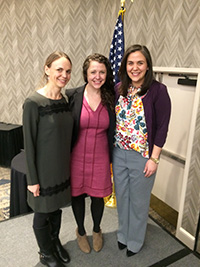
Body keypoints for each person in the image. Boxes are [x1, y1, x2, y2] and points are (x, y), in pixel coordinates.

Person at [112, 44, 171, 257]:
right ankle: (123, 234)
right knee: (123, 197)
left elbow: (162, 127)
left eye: (140, 63)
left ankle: (135, 241)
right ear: (125, 65)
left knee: (138, 201)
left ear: (147, 66)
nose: (135, 67)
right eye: (130, 63)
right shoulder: (119, 88)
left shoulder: (158, 91)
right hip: (119, 154)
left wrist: (154, 159)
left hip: (142, 156)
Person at [23, 51, 73, 267]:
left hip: (62, 167)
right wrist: (32, 179)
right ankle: (45, 253)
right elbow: (29, 143)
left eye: (68, 71)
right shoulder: (33, 102)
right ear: (47, 69)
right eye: (59, 69)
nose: (64, 75)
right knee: (43, 213)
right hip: (43, 171)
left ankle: (54, 242)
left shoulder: (65, 99)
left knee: (57, 208)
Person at [65, 53, 115, 254]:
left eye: (102, 72)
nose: (97, 76)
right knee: (77, 195)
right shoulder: (72, 95)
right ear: (86, 73)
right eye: (93, 71)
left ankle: (96, 230)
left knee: (97, 196)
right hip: (76, 157)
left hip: (101, 157)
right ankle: (81, 231)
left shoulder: (112, 96)